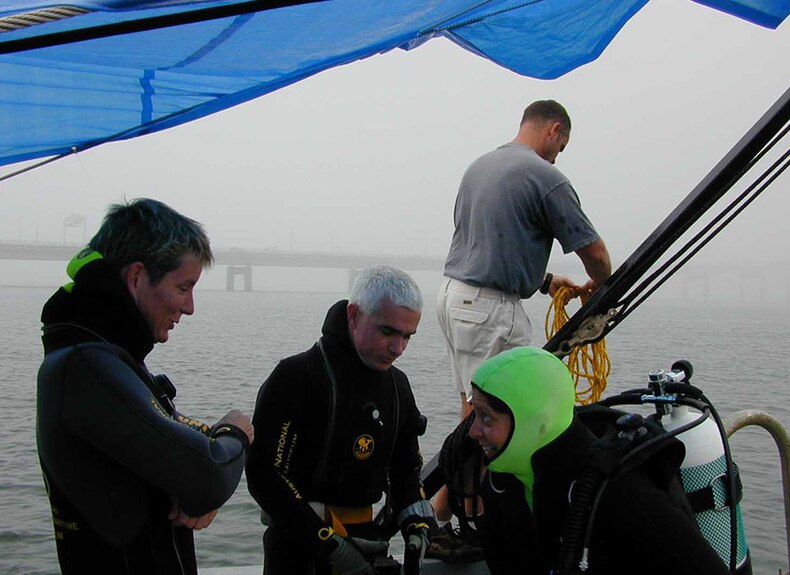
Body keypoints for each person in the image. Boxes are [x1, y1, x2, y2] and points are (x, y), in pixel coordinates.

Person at [432, 99, 612, 557]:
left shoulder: (480, 167)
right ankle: (456, 521)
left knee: (472, 412)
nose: (558, 156)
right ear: (553, 130)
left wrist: (549, 282)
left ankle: (452, 513)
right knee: (494, 420)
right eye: (562, 145)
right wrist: (598, 284)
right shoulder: (545, 177)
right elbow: (597, 256)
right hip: (492, 309)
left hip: (455, 298)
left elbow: (492, 243)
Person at [36, 198, 254, 575]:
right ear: (137, 278)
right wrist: (235, 432)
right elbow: (209, 474)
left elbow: (182, 465)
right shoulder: (85, 367)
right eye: (184, 287)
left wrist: (191, 483)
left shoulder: (105, 360)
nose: (190, 308)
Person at [467, 346, 730, 575]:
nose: (473, 431)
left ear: (535, 421)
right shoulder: (501, 481)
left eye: (486, 417)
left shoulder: (621, 491)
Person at [246, 266, 435, 575]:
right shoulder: (297, 376)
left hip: (367, 544)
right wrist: (327, 544)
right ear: (353, 315)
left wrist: (416, 522)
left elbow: (405, 467)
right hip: (298, 550)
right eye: (387, 331)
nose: (398, 348)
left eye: (407, 336)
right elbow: (264, 475)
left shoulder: (398, 387)